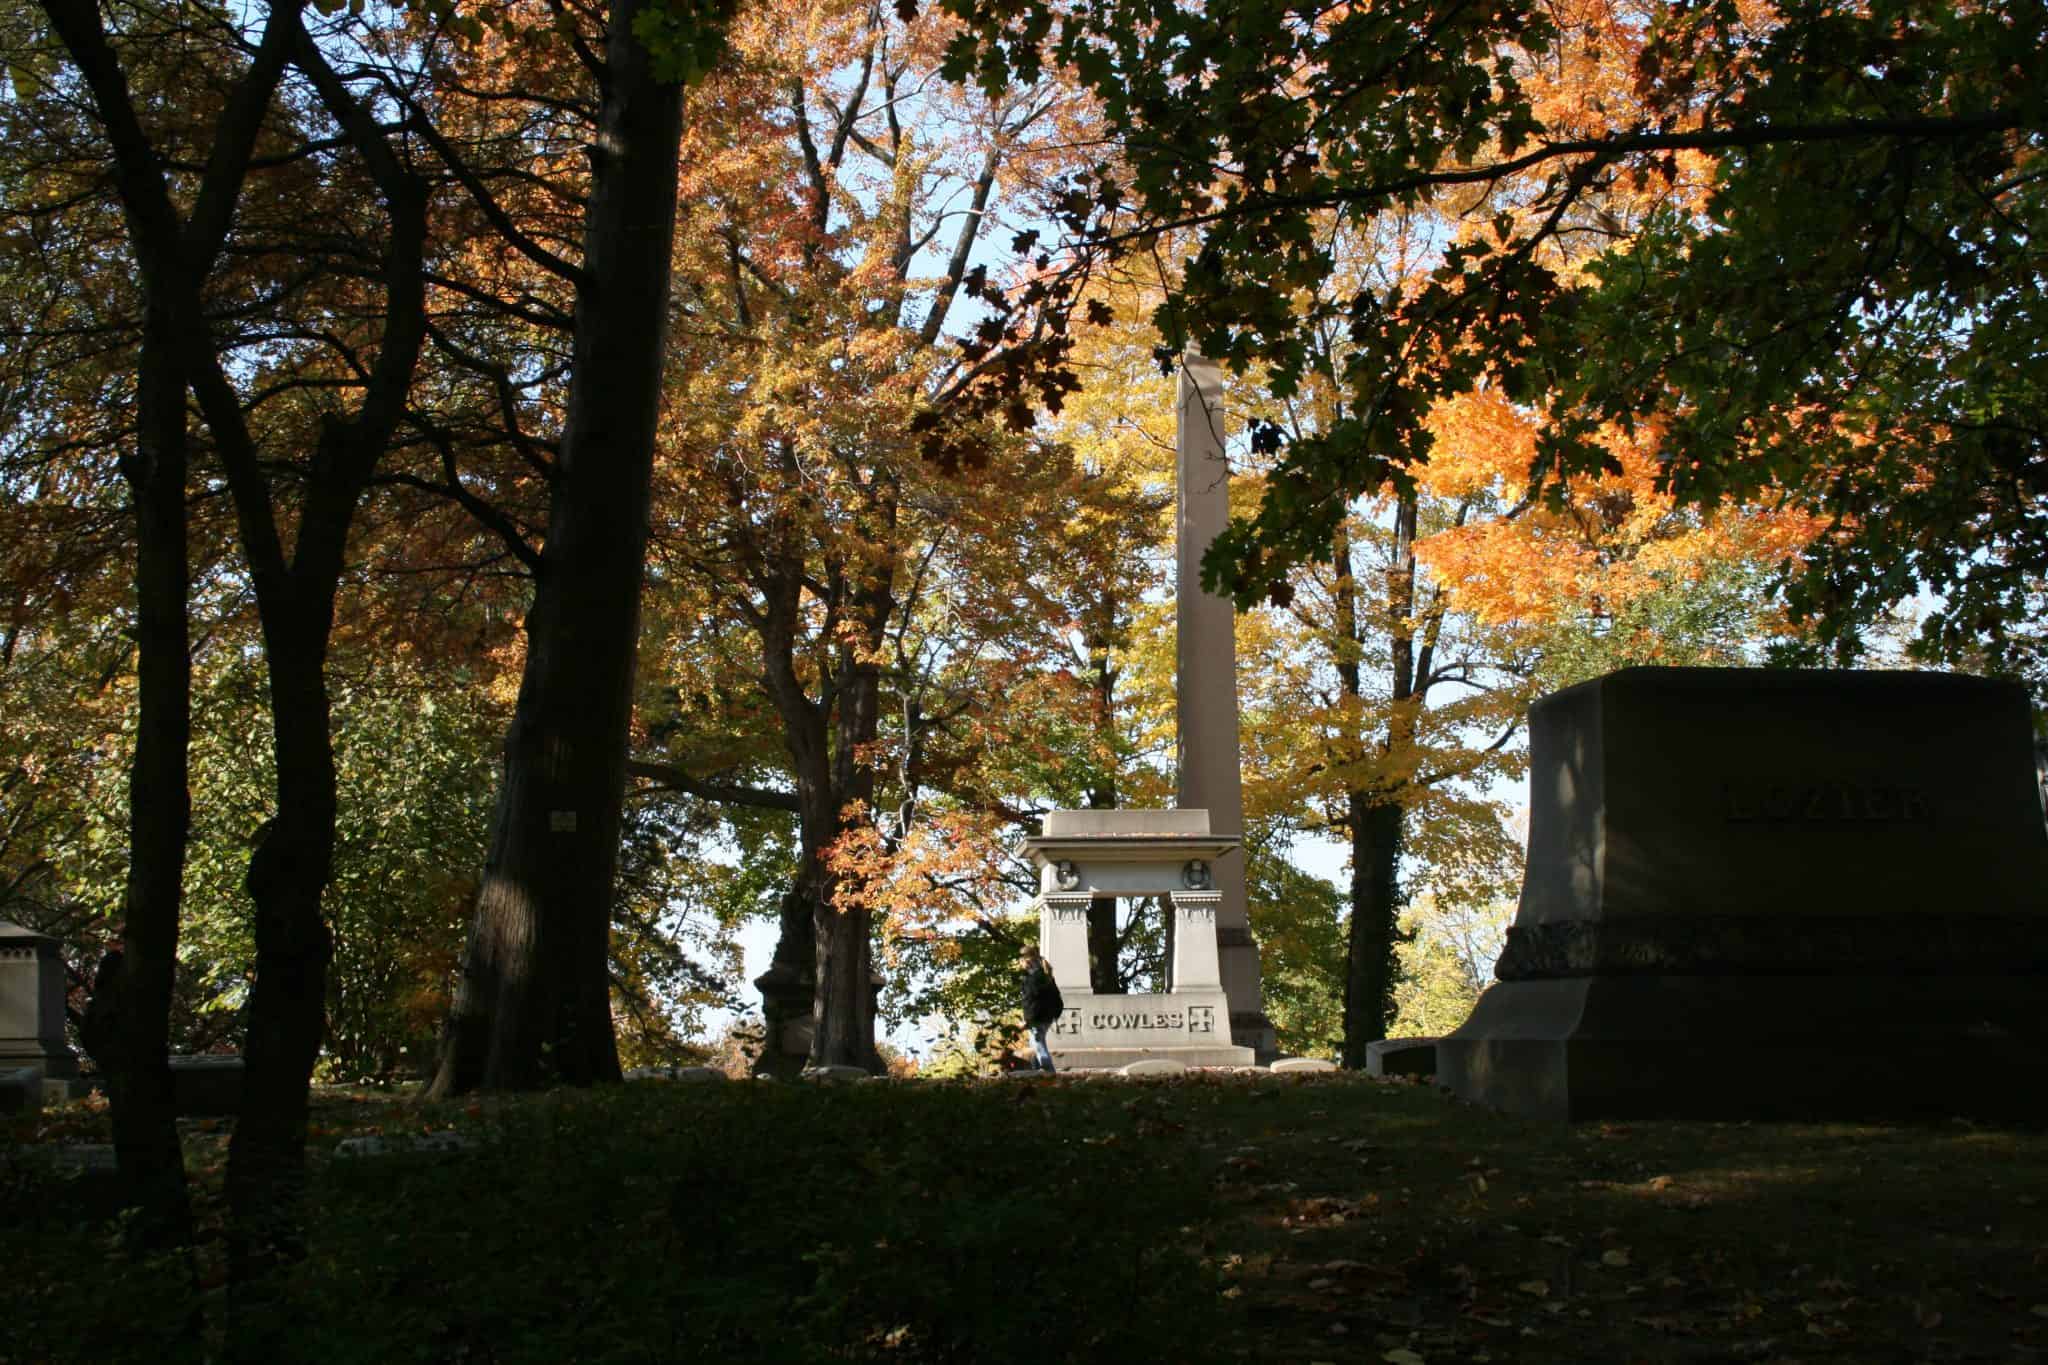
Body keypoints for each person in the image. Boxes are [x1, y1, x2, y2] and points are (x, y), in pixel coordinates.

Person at [1018, 944, 1064, 1074]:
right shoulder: (1044, 975)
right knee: (1034, 1046)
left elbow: (1031, 1002)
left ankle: (1049, 1073)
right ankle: (1037, 1073)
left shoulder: (1034, 979)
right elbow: (1055, 998)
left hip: (1037, 1018)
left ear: (1026, 961)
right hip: (1045, 1016)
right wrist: (1055, 1014)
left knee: (1039, 1047)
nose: (1019, 964)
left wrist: (1027, 1020)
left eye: (1020, 961)